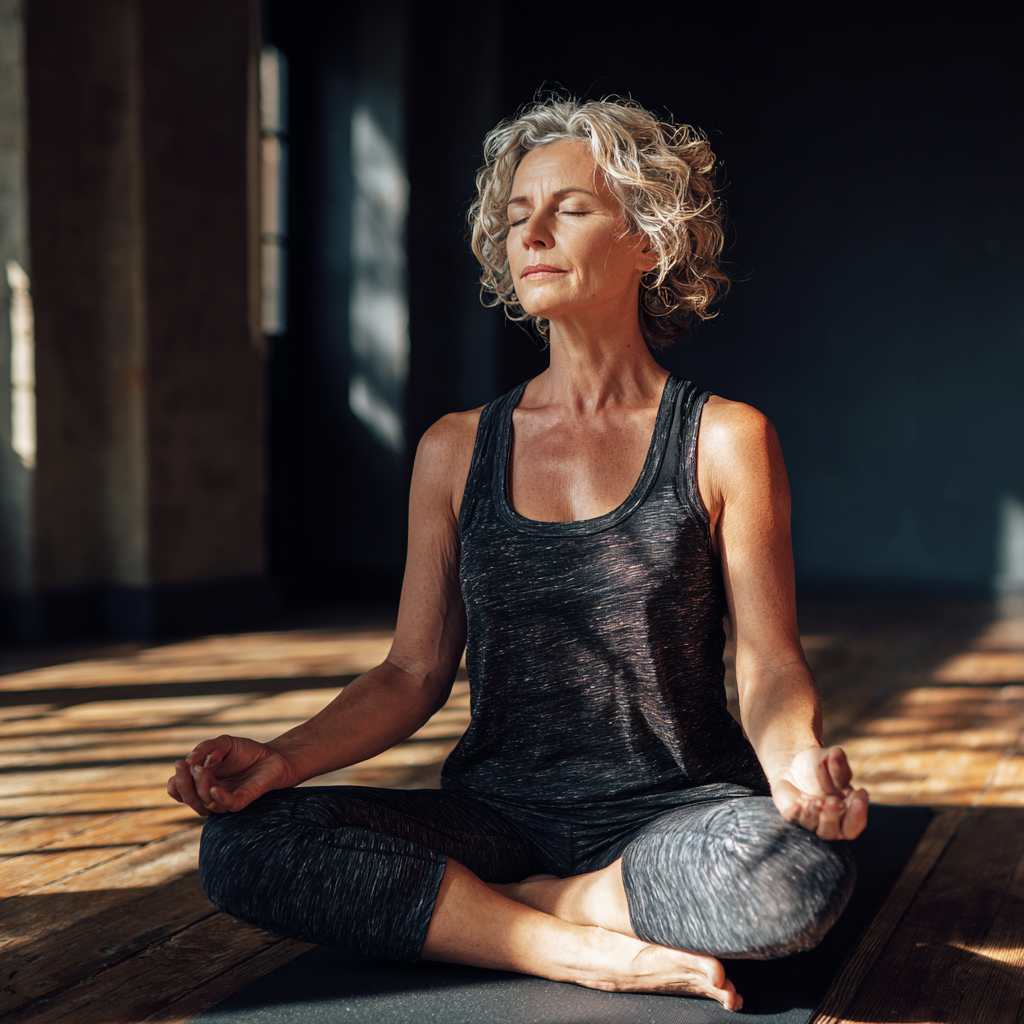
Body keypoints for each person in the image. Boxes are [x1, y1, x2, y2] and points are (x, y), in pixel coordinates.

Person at [168, 96, 868, 1012]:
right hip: (496, 818)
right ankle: (564, 945)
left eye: (570, 208)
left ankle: (517, 914)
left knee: (791, 876)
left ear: (650, 241)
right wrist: (282, 759)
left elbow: (772, 665)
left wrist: (795, 765)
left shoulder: (723, 438)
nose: (531, 233)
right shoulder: (456, 448)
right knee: (244, 846)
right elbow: (412, 672)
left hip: (675, 813)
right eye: (513, 217)